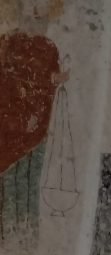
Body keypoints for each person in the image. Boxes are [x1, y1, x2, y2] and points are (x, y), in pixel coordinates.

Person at [0, 0, 68, 241]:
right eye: (31, 5)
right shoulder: (7, 43)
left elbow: (46, 81)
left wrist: (55, 79)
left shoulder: (49, 47)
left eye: (42, 7)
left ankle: (28, 237)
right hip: (9, 125)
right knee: (10, 180)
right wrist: (18, 121)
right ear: (20, 9)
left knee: (31, 182)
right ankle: (8, 235)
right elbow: (7, 82)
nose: (37, 12)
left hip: (38, 126)